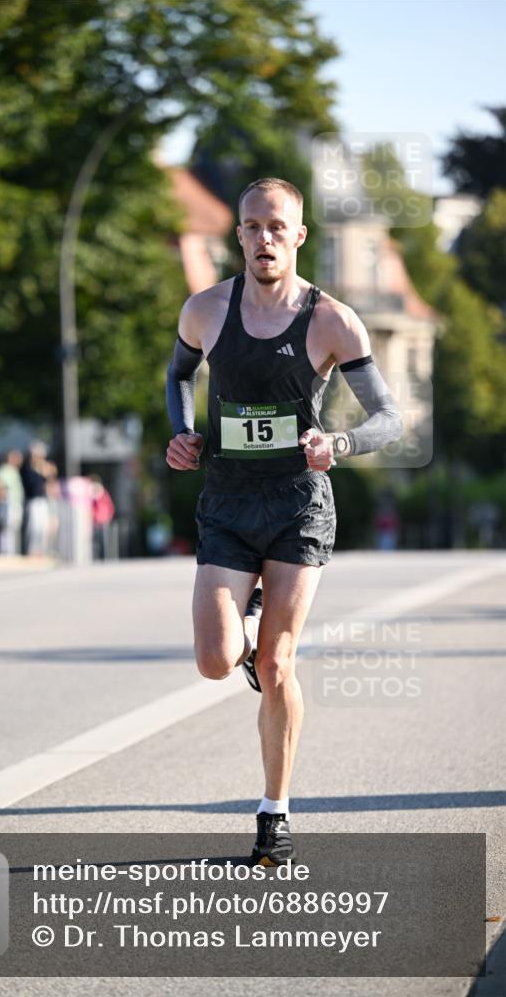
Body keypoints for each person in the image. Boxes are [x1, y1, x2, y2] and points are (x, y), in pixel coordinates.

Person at [166, 177, 403, 866]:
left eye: (276, 226)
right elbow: (178, 376)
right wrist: (180, 432)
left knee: (276, 663)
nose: (263, 238)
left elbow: (387, 417)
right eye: (251, 226)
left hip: (299, 504)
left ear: (298, 236)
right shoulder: (206, 310)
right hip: (229, 503)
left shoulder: (332, 320)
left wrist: (342, 444)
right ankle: (248, 613)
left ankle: (274, 814)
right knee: (216, 660)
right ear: (237, 236)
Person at [0, 450, 25, 554]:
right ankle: (5, 552)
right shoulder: (5, 469)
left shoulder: (13, 470)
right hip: (8, 503)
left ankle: (11, 552)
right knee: (6, 529)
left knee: (12, 529)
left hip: (14, 503)